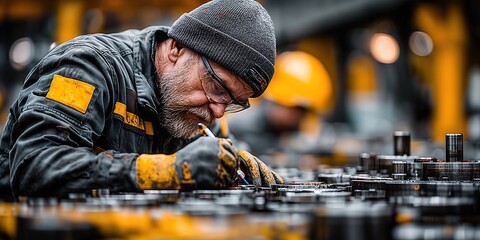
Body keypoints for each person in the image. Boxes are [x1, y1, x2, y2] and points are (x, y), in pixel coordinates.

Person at [0, 0, 283, 200]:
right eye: (218, 88)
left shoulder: (195, 108)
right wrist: (162, 171)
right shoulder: (89, 67)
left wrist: (236, 162)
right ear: (177, 48)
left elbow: (215, 151)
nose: (219, 112)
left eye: (234, 101)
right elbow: (34, 166)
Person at [228, 51, 334, 167]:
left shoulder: (295, 129)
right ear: (276, 100)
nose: (301, 118)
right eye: (298, 109)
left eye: (305, 111)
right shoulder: (241, 126)